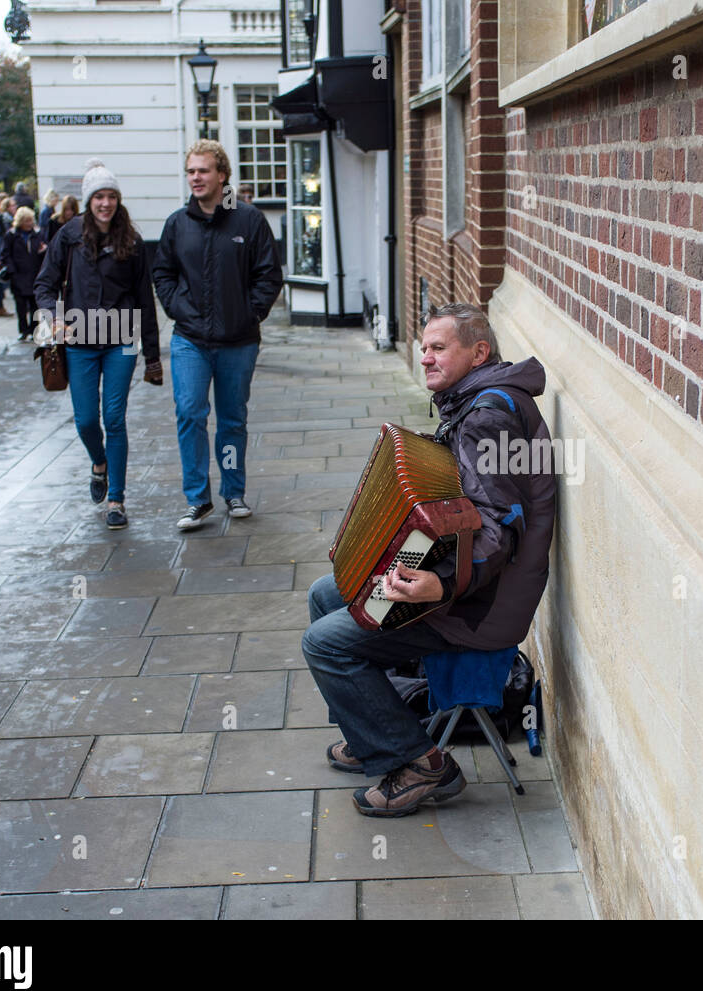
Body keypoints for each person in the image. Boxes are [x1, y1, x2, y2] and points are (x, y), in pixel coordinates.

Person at [301, 304, 558, 817]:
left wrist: (438, 584)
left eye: (439, 347)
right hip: (481, 586)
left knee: (326, 643)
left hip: (482, 606)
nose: (425, 357)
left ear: (478, 352)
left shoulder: (488, 416)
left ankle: (421, 762)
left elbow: (499, 527)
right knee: (327, 593)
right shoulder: (477, 403)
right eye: (423, 348)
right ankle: (372, 730)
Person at [152, 139, 282, 531]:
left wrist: (250, 312)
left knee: (231, 419)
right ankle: (197, 499)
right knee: (190, 413)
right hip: (190, 339)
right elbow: (162, 273)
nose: (195, 177)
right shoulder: (177, 223)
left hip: (238, 341)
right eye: (190, 170)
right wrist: (178, 308)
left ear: (221, 175)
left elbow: (269, 275)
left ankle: (233, 491)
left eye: (203, 170)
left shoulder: (248, 220)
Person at [34, 159, 163, 529]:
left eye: (111, 196)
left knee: (115, 419)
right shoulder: (69, 237)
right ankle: (99, 463)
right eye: (99, 197)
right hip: (80, 342)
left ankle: (117, 500)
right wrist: (51, 317)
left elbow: (144, 299)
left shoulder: (133, 241)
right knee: (87, 420)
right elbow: (44, 284)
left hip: (121, 341)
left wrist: (152, 355)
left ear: (118, 200)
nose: (105, 203)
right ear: (89, 200)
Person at [0, 206, 47, 341]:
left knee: (34, 305)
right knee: (20, 305)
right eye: (26, 221)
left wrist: (43, 251)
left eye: (31, 220)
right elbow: (5, 254)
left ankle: (34, 329)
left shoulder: (38, 234)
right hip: (19, 274)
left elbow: (45, 248)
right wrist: (11, 269)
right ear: (20, 221)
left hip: (34, 273)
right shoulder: (12, 235)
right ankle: (23, 330)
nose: (29, 223)